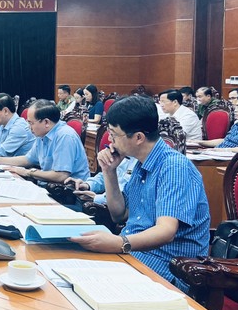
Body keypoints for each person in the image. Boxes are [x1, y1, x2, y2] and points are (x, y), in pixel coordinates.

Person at [68, 96, 210, 290]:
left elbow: (166, 231)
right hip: (133, 254)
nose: (109, 140)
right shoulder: (140, 163)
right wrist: (109, 172)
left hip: (167, 268)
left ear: (138, 138)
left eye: (114, 134)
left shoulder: (174, 167)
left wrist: (118, 243)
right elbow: (119, 214)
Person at [0, 99, 90, 183]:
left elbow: (60, 175)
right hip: (47, 185)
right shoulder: (42, 133)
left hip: (68, 194)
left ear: (46, 122)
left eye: (31, 123)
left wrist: (28, 172)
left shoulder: (64, 136)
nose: (28, 127)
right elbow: (28, 159)